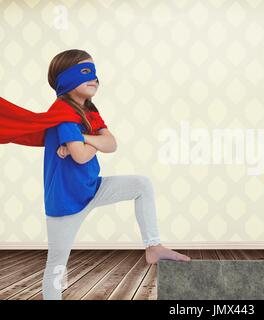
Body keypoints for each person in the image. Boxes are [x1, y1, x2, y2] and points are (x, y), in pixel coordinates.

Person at [1, 49, 190, 300]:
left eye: (94, 72)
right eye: (85, 72)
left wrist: (83, 141)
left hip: (92, 187)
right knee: (57, 266)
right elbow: (82, 156)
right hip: (66, 203)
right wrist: (92, 142)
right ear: (65, 80)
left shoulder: (90, 111)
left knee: (141, 184)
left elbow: (112, 143)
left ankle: (153, 246)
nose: (94, 78)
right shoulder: (63, 115)